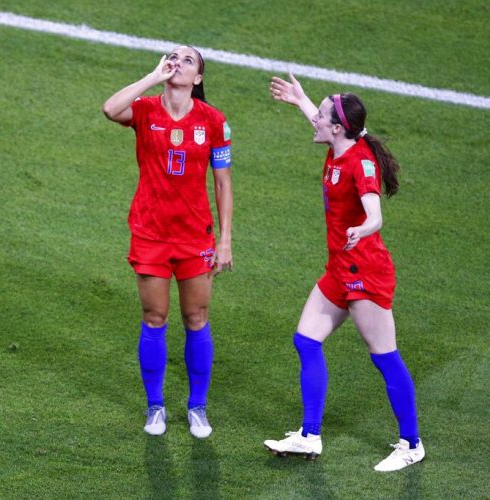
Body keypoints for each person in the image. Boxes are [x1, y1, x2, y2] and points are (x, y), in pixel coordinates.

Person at [263, 74, 424, 472]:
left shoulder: (361, 163)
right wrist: (300, 100)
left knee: (385, 357)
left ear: (337, 128)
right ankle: (309, 436)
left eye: (319, 115)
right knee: (306, 340)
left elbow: (375, 215)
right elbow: (321, 126)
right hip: (339, 269)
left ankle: (412, 443)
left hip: (365, 274)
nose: (313, 119)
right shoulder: (339, 146)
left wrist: (361, 229)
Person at [102, 45, 233, 439]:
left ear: (198, 78)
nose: (178, 63)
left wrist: (225, 240)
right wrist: (153, 77)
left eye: (187, 60)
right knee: (154, 318)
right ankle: (156, 406)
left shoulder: (213, 121)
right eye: (172, 57)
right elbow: (110, 109)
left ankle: (197, 407)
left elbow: (223, 182)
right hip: (150, 234)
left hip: (196, 237)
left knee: (196, 319)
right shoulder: (144, 110)